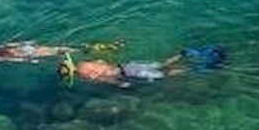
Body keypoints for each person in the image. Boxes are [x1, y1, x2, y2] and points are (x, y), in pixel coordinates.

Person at [56, 45, 226, 88]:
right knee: (160, 64)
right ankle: (183, 53)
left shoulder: (85, 75)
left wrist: (120, 84)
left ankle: (196, 68)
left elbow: (105, 78)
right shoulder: (84, 63)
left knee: (163, 74)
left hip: (128, 72)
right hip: (127, 64)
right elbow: (102, 64)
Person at [0, 38, 125, 67]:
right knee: (60, 49)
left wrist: (27, 61)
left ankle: (102, 49)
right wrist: (26, 43)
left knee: (60, 52)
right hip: (27, 49)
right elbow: (10, 45)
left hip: (26, 54)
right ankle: (104, 47)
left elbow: (11, 60)